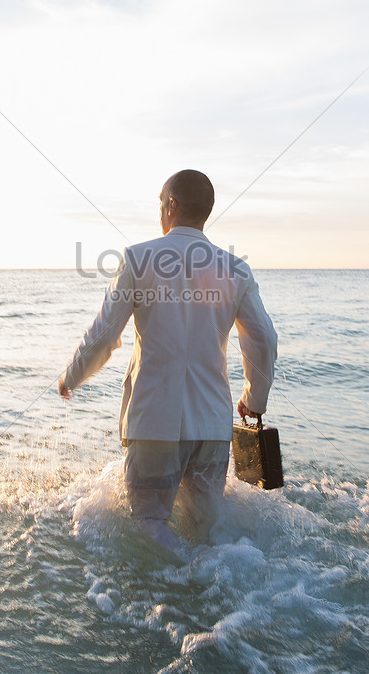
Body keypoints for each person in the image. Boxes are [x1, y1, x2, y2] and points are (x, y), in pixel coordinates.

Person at [58, 169, 278, 559]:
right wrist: (253, 399)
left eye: (161, 204)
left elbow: (104, 335)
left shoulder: (138, 258)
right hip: (212, 426)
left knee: (149, 522)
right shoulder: (235, 268)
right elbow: (263, 339)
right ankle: (217, 591)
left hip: (154, 423)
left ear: (171, 206)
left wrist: (72, 376)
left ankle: (189, 576)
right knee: (205, 530)